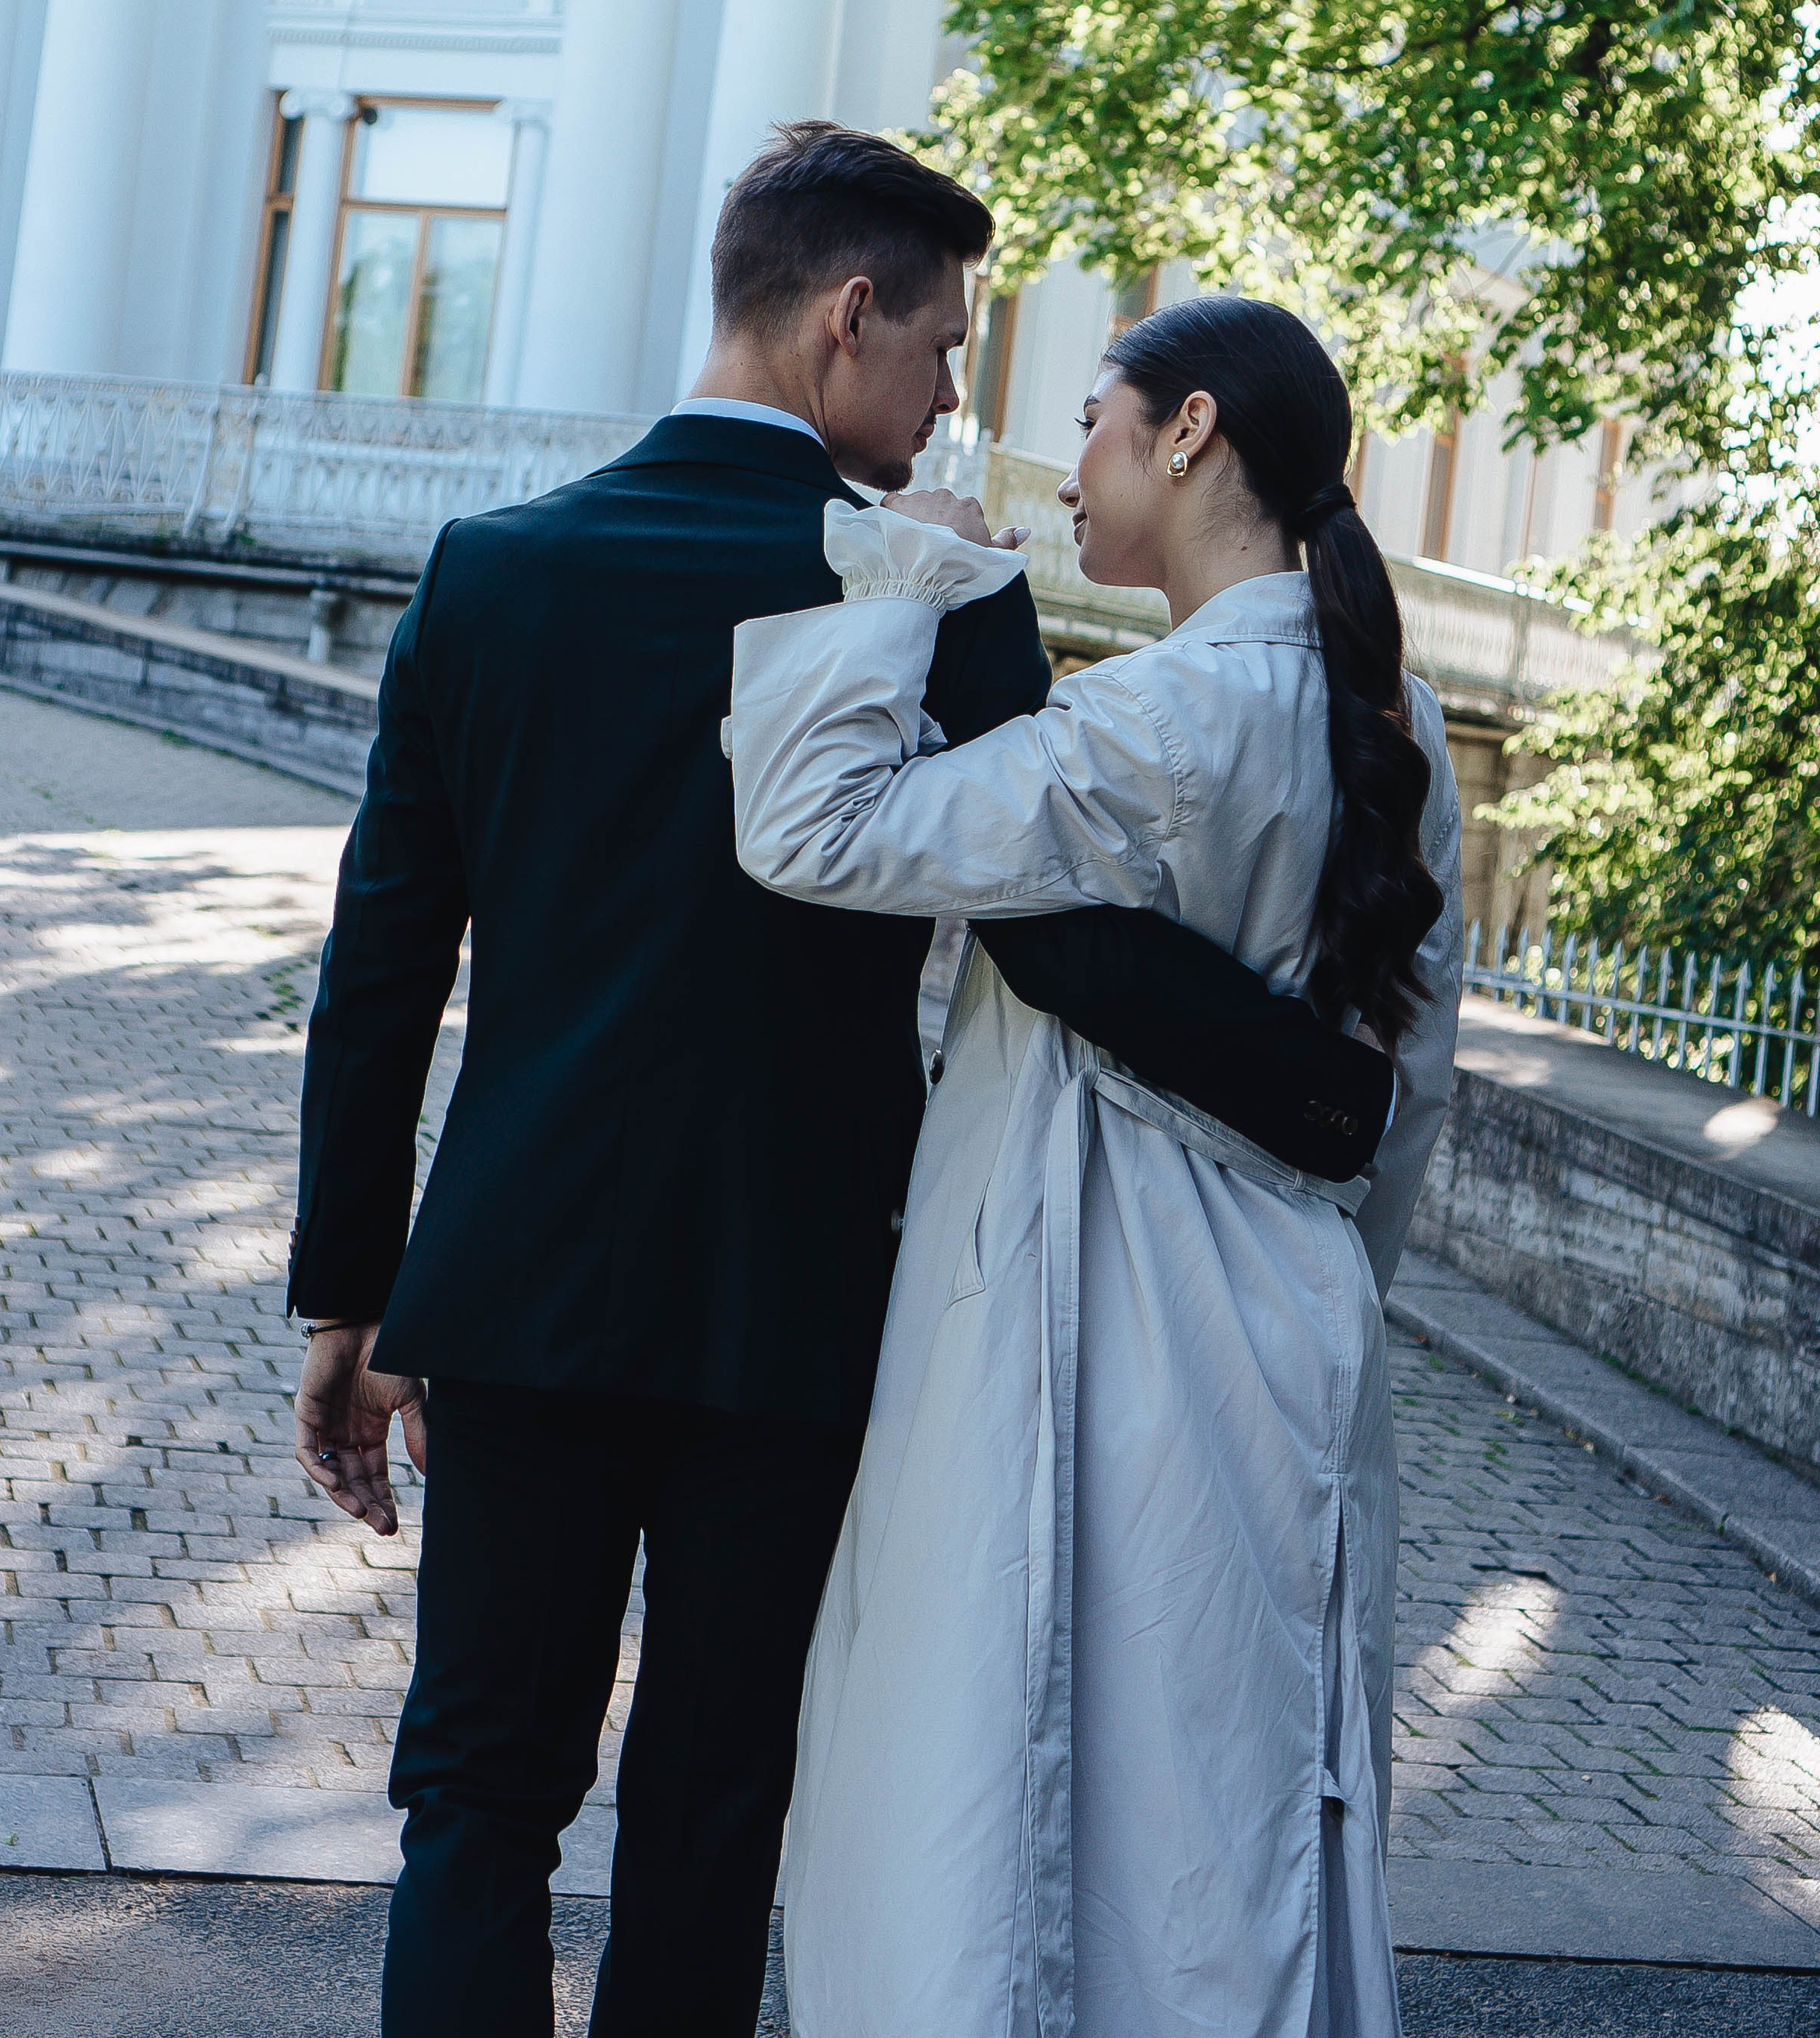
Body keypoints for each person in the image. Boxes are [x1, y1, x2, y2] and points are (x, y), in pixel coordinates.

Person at [286, 131, 1411, 2038]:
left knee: (472, 1798)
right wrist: (1324, 1099)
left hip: (514, 1287)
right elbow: (1057, 939)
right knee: (716, 1813)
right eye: (946, 346)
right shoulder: (933, 590)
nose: (953, 397)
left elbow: (381, 965)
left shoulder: (494, 570)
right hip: (800, 1308)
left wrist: (349, 1291)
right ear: (847, 316)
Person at [728, 291, 1465, 2038]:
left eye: (1088, 422)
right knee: (1243, 1820)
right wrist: (1332, 1282)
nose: (1066, 470)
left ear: (1188, 430)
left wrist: (901, 578)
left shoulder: (1153, 723)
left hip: (1087, 1306)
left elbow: (810, 826)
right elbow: (1408, 1087)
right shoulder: (1399, 722)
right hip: (1293, 1324)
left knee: (1010, 1786)